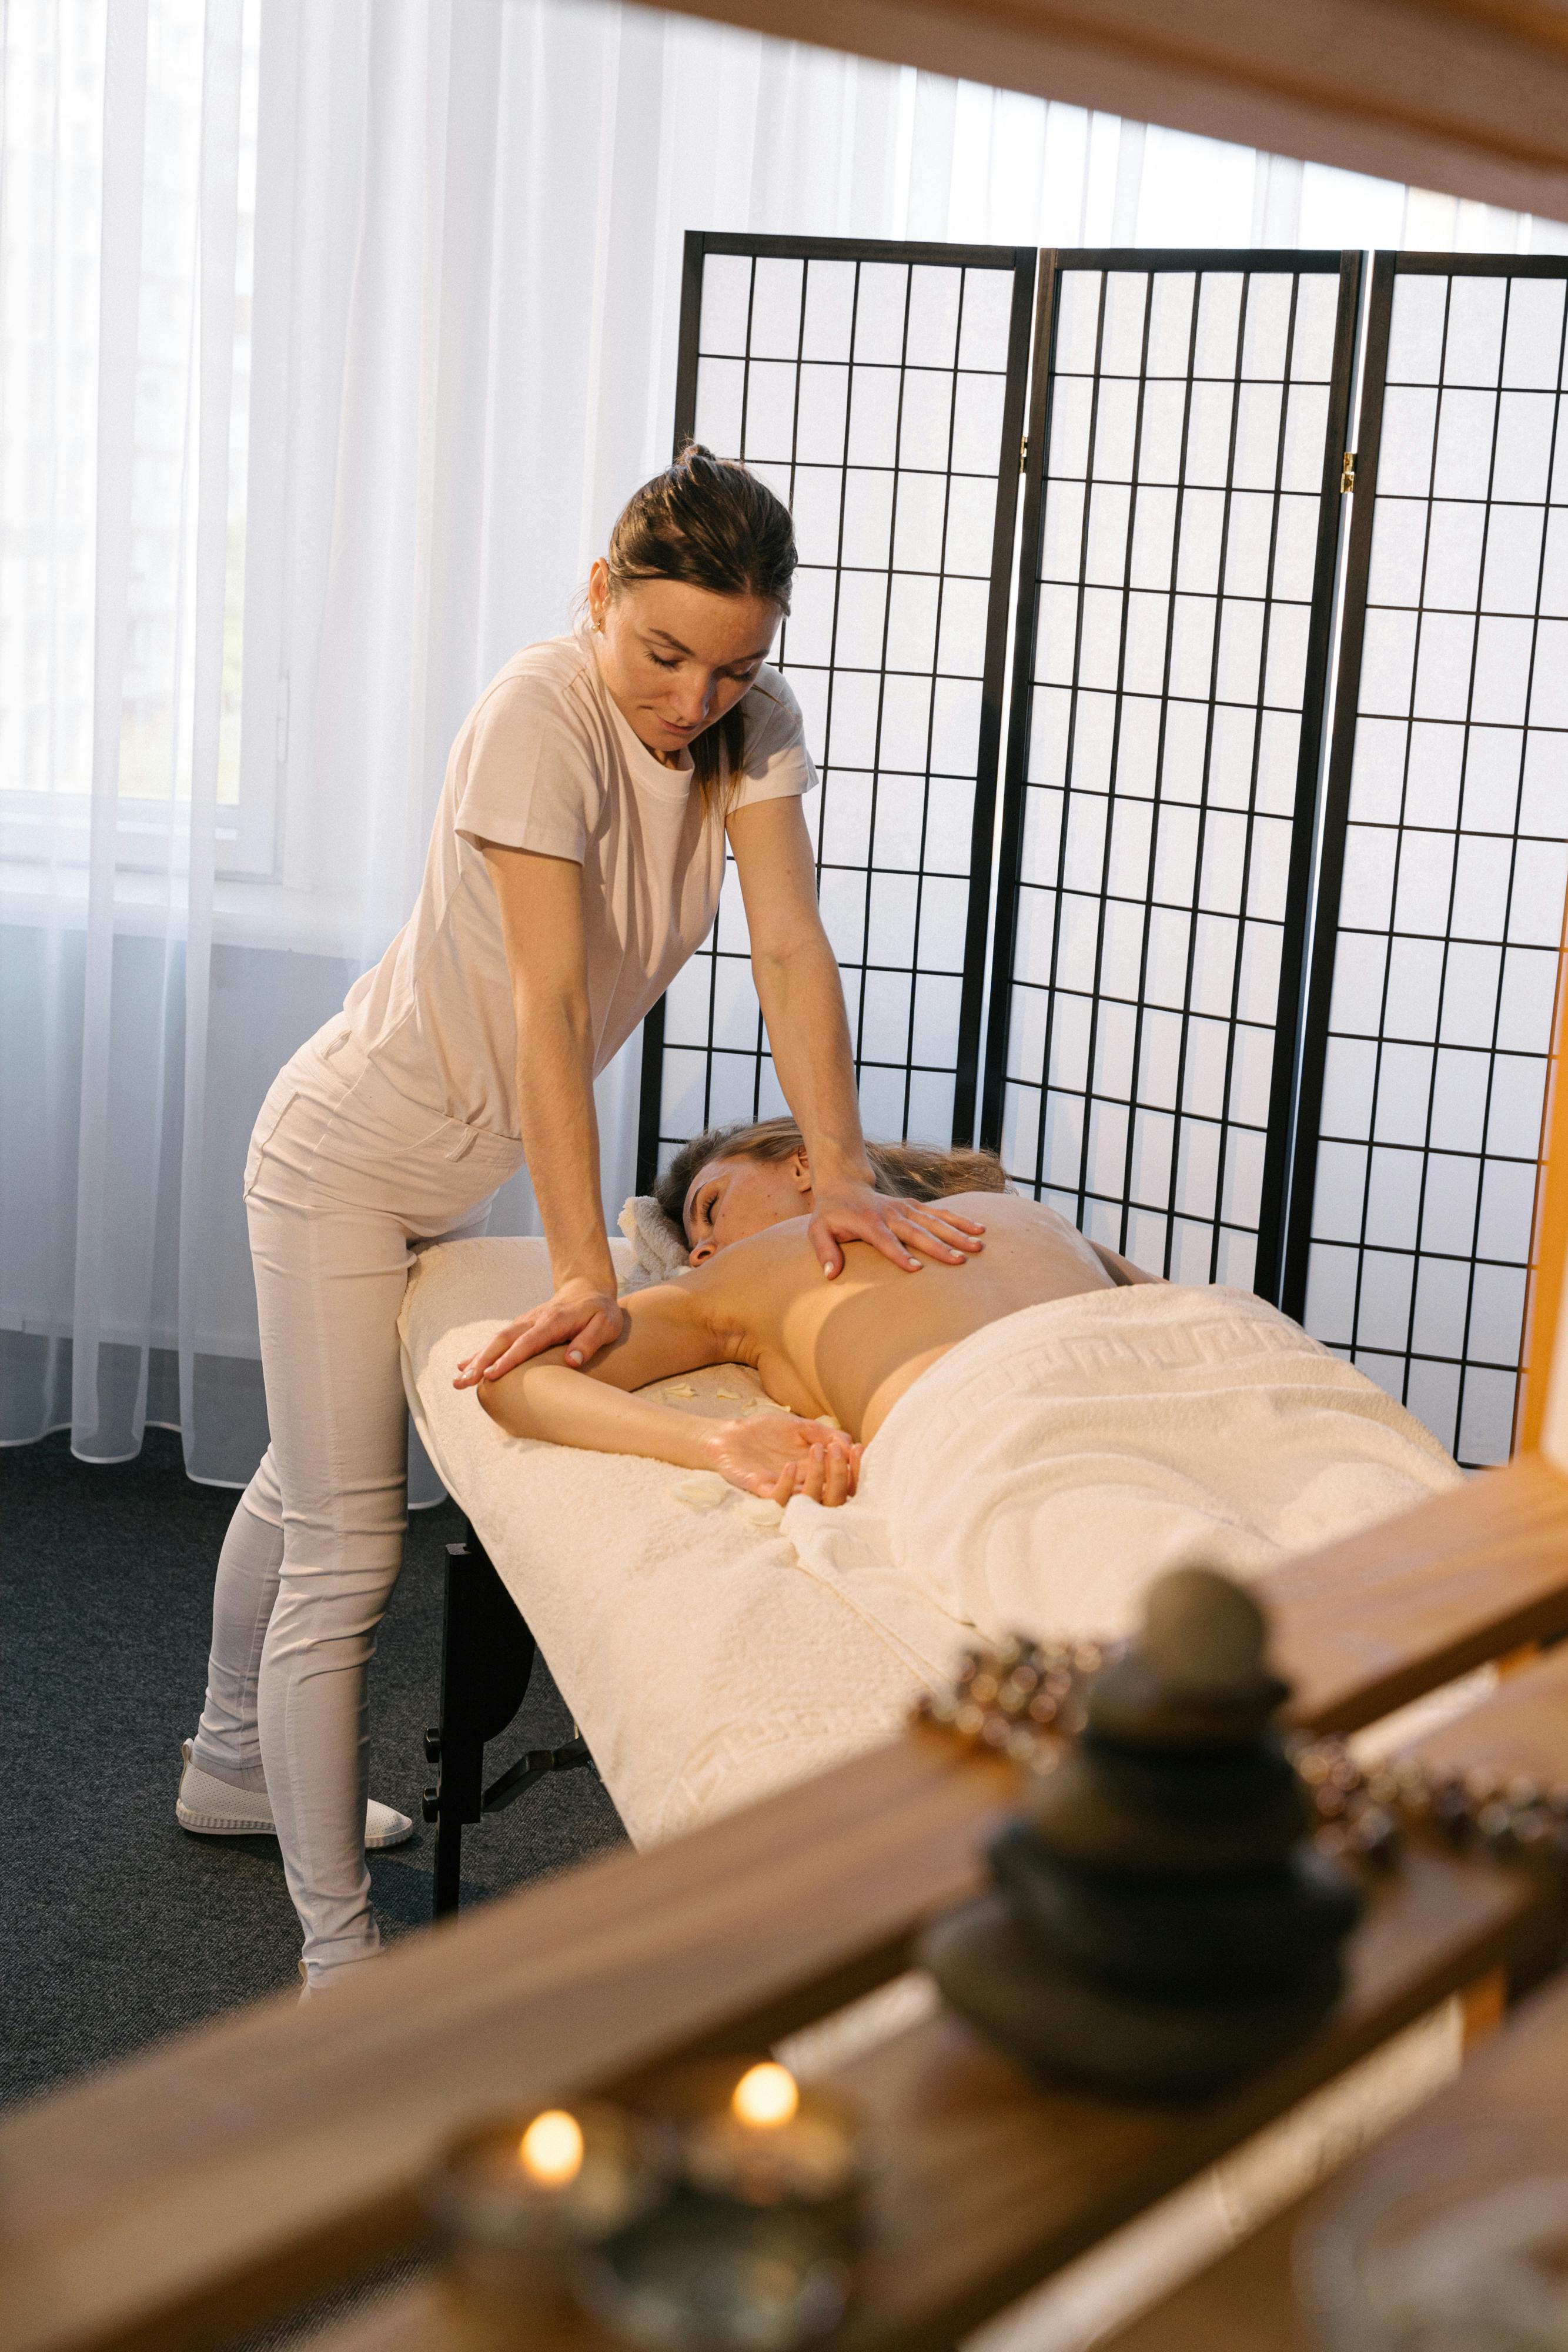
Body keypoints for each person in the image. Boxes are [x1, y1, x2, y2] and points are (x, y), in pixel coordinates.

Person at [179, 450, 982, 1990]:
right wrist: (580, 1271)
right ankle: (338, 1960)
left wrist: (848, 1175)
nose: (693, 699)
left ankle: (227, 1760)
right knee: (354, 1545)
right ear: (600, 595)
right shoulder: (536, 712)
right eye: (663, 651)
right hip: (344, 1150)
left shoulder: (753, 728)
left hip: (456, 1152)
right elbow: (546, 1016)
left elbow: (792, 948)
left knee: (306, 1461)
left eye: (735, 663)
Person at [478, 1120, 1151, 1504]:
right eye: (696, 1247)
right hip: (1046, 1423)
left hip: (1112, 1397)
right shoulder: (1029, 1216)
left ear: (804, 1163)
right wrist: (714, 1442)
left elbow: (515, 1377)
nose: (705, 1249)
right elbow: (517, 1375)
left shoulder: (1018, 1218)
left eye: (711, 1206)